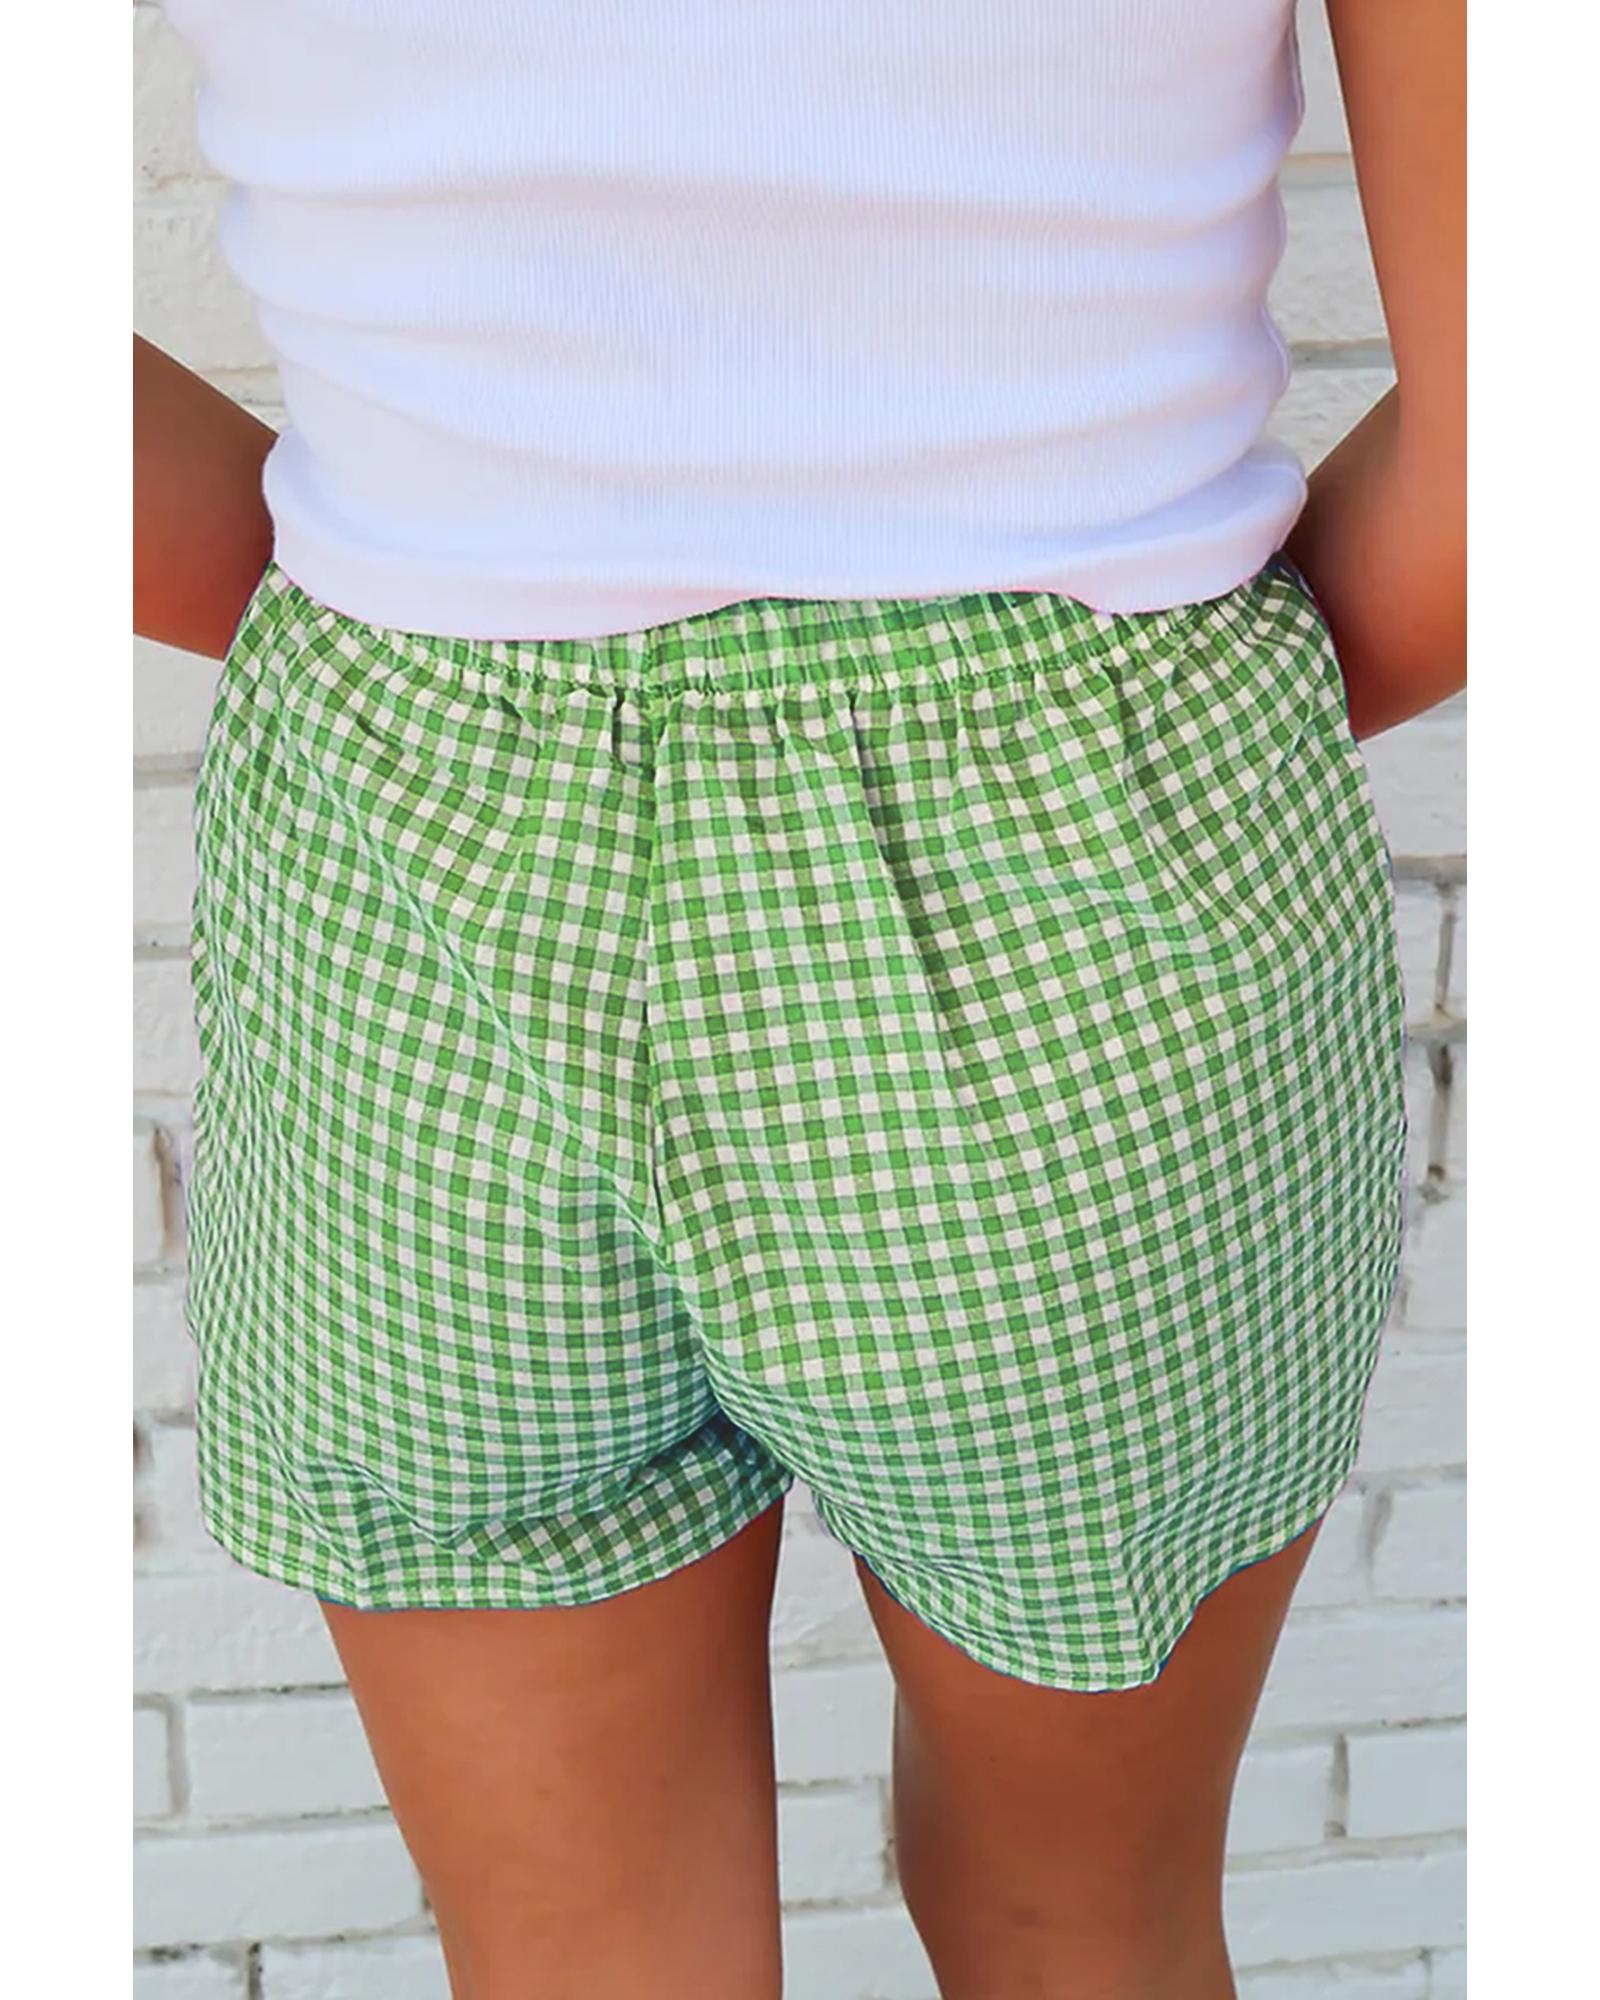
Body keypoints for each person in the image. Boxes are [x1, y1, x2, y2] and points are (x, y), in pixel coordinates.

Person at [134, 3, 1465, 1995]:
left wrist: (409, 627)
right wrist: (1175, 737)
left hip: (401, 876)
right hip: (1096, 908)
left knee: (582, 1955)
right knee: (1077, 1934)